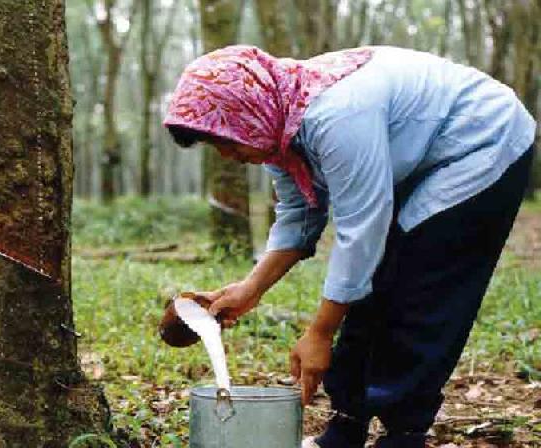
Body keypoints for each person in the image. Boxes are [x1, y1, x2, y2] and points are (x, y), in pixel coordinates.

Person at [163, 44, 537, 448]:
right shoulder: (277, 126)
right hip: (422, 154)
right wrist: (251, 288)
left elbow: (360, 229)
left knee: (421, 286)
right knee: (371, 282)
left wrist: (321, 332)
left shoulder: (337, 115)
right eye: (218, 145)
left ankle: (404, 433)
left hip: (482, 138)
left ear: (247, 109)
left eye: (226, 141)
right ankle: (346, 425)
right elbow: (298, 215)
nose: (228, 155)